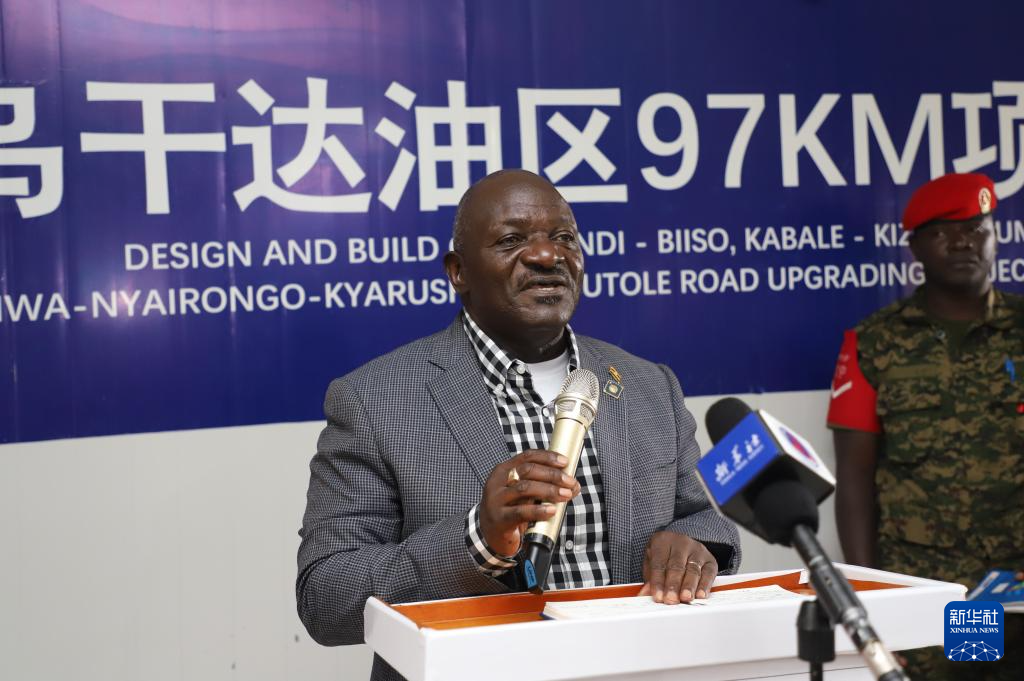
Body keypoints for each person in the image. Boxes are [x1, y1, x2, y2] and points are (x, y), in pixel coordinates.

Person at [297, 169, 741, 681]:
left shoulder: (647, 384)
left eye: (564, 237)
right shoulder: (375, 400)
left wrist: (690, 545)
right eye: (511, 240)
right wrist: (478, 540)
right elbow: (326, 597)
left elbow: (702, 519)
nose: (548, 256)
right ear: (458, 272)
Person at [826, 172, 1024, 680]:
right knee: (972, 674)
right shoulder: (875, 343)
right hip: (942, 589)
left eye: (975, 228)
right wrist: (872, 602)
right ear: (913, 247)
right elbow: (855, 480)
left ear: (996, 236)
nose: (962, 242)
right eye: (942, 232)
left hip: (1020, 572)